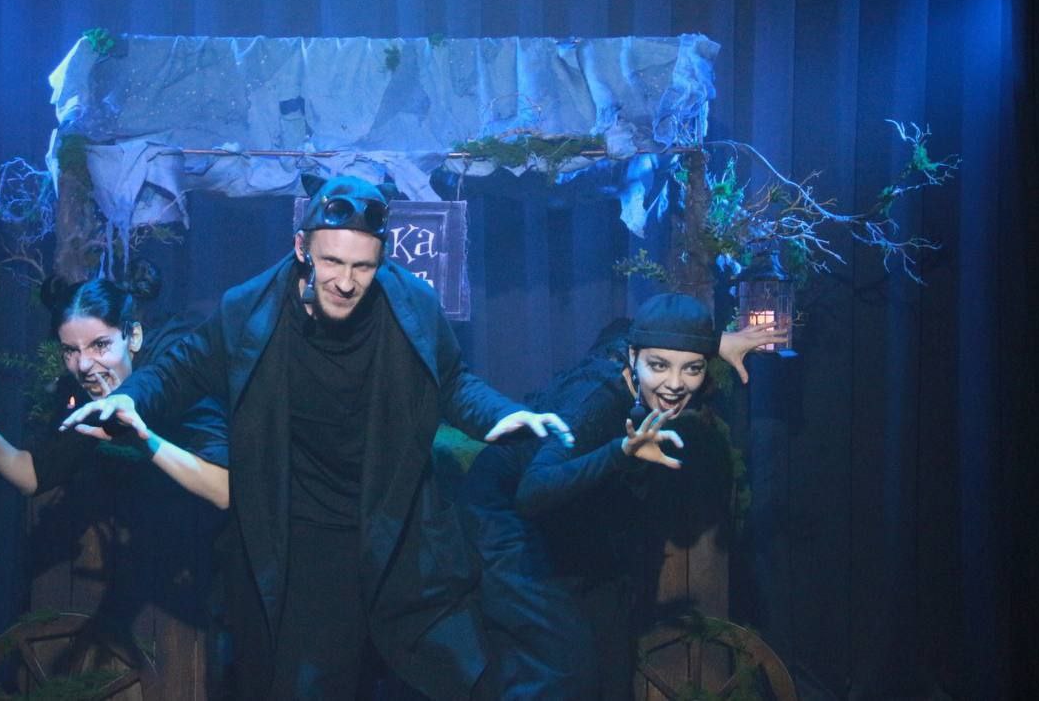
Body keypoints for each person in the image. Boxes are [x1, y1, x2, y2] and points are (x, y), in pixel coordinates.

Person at [63, 175, 574, 700]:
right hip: (303, 544)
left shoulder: (412, 305)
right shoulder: (250, 309)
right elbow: (180, 370)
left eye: (362, 267)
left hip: (396, 529)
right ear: (301, 248)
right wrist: (132, 397)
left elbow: (453, 382)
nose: (346, 282)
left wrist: (500, 416)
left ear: (381, 261)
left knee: (456, 675)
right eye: (332, 262)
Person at [462, 293, 779, 699]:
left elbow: (624, 330)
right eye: (659, 366)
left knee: (612, 652)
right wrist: (620, 453)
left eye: (692, 368)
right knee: (566, 665)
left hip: (569, 507)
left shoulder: (634, 350)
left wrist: (715, 342)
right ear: (633, 358)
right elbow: (532, 492)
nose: (675, 384)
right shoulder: (596, 401)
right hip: (504, 509)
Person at [0, 272, 229, 508]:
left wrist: (142, 440)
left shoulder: (176, 370)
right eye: (70, 351)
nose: (83, 365)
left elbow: (224, 489)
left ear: (133, 337)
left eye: (100, 345)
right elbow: (33, 475)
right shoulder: (91, 391)